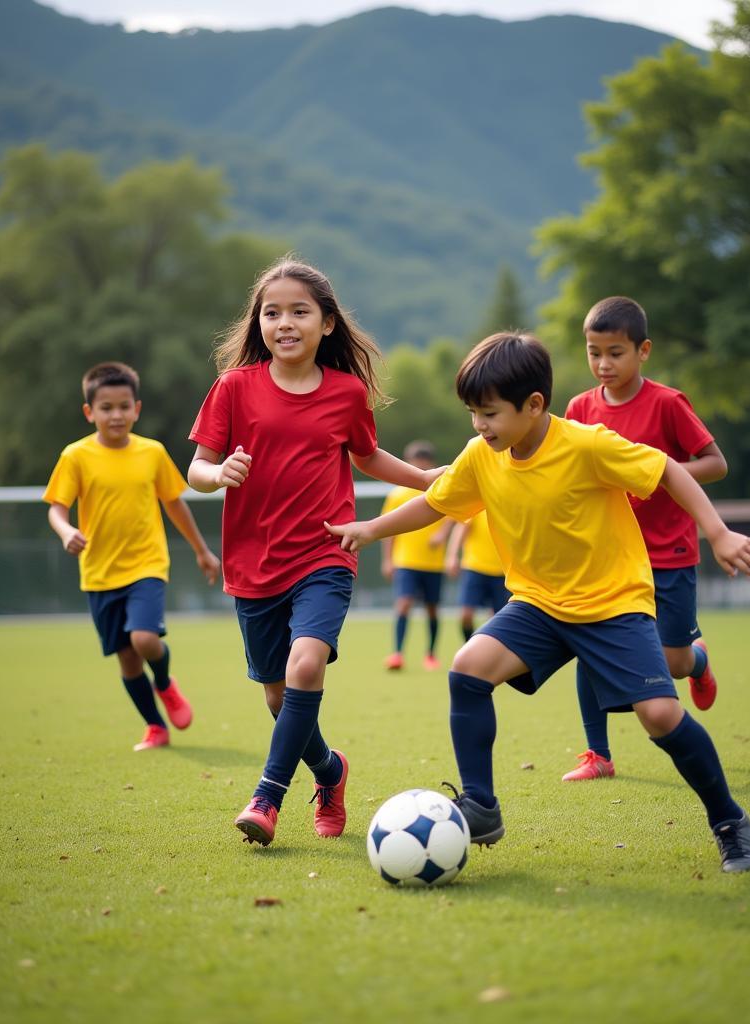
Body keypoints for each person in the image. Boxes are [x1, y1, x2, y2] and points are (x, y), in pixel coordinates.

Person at [327, 332, 750, 873]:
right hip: (539, 604)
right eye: (472, 414)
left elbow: (669, 470)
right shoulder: (482, 456)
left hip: (613, 604)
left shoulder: (587, 444)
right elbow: (435, 504)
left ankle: (729, 822)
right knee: (468, 670)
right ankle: (481, 806)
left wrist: (718, 534)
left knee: (658, 715)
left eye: (489, 414)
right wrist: (371, 529)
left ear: (534, 405)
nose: (479, 426)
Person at [187, 257, 443, 848]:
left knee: (306, 666)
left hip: (326, 553)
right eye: (271, 312)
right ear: (258, 323)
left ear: (326, 323)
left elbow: (368, 457)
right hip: (252, 566)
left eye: (299, 311)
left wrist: (430, 481)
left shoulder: (346, 393)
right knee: (279, 697)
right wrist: (217, 472)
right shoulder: (233, 387)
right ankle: (330, 772)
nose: (284, 322)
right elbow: (197, 468)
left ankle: (267, 798)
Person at [562, 296, 727, 782]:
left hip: (669, 554)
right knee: (587, 643)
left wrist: (657, 474)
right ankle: (598, 755)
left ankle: (697, 663)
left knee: (671, 662)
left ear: (643, 351)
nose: (603, 364)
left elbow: (716, 463)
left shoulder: (668, 403)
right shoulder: (579, 408)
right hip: (608, 555)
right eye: (594, 352)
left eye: (615, 352)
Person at [44, 361, 221, 753]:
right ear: (90, 412)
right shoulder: (75, 457)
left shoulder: (152, 453)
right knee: (126, 661)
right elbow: (57, 508)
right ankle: (155, 726)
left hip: (147, 565)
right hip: (100, 574)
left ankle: (165, 683)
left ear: (136, 409)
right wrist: (66, 530)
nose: (116, 415)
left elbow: (175, 505)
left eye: (124, 406)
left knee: (144, 639)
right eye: (106, 408)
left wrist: (202, 551)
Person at [381, 440, 449, 671]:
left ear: (430, 463)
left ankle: (430, 654)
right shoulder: (397, 494)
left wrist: (441, 534)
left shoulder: (440, 489)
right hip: (406, 561)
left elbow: (453, 516)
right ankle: (397, 654)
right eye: (414, 461)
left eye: (423, 461)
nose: (419, 465)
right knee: (404, 604)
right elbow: (387, 530)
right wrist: (388, 560)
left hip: (433, 563)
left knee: (432, 608)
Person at [445, 510, 510, 643]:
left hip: (501, 573)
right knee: (466, 615)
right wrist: (452, 556)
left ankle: (489, 651)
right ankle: (468, 644)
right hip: (474, 568)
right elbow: (460, 529)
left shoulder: (508, 509)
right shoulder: (478, 508)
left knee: (497, 619)